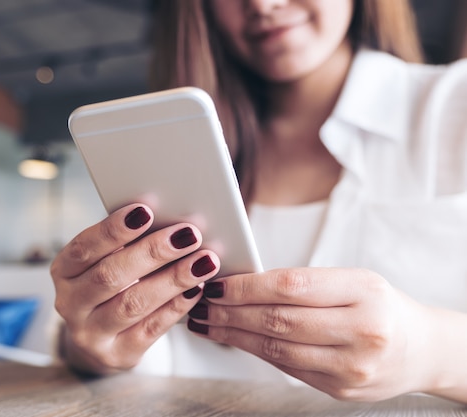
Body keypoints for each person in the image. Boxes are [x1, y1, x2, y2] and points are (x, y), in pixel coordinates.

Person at [50, 0, 467, 403]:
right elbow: (137, 351)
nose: (263, 3)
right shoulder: (167, 153)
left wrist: (430, 352)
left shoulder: (454, 106)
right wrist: (92, 347)